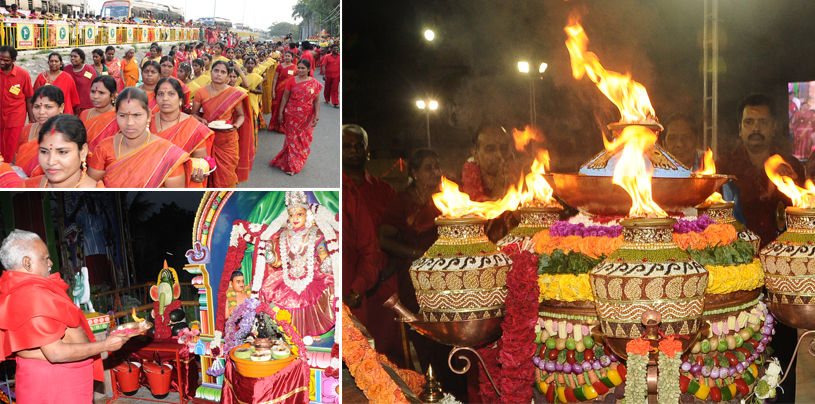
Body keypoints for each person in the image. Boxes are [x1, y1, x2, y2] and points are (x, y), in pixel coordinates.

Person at [717, 94, 803, 404]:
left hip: (782, 282)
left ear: (774, 127)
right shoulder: (724, 169)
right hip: (739, 284)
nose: (755, 129)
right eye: (748, 122)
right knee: (739, 359)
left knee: (782, 360)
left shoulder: (791, 168)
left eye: (762, 122)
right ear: (739, 129)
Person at [0, 230, 131, 402]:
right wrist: (105, 345)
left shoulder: (21, 289)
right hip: (55, 384)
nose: (51, 263)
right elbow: (56, 353)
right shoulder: (30, 294)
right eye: (45, 258)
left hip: (57, 380)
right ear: (27, 263)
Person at [341, 124, 402, 366]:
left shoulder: (385, 190)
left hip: (384, 282)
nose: (354, 151)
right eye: (347, 146)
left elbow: (398, 236)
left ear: (367, 151)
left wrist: (386, 270)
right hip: (349, 283)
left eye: (359, 146)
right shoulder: (339, 190)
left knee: (388, 349)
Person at [258, 191, 336, 337]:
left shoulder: (316, 233)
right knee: (272, 291)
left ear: (307, 215)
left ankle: (311, 332)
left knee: (326, 288)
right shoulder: (281, 235)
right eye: (291, 215)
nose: (295, 218)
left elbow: (322, 254)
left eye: (299, 214)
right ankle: (286, 333)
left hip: (311, 276)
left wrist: (326, 260)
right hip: (288, 277)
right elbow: (279, 262)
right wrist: (270, 255)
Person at [87, 87, 188, 188]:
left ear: (148, 116)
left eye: (136, 115)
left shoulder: (168, 154)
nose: (129, 123)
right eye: (122, 116)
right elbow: (91, 186)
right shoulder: (104, 147)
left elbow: (174, 198)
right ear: (116, 115)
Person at [191, 60, 253, 187]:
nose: (219, 74)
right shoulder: (201, 92)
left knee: (227, 174)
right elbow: (193, 114)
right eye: (216, 71)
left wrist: (235, 126)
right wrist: (200, 119)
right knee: (208, 170)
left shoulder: (234, 93)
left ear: (228, 76)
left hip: (228, 139)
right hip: (207, 136)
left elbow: (241, 116)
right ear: (211, 72)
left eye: (223, 72)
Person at [151, 77, 213, 187]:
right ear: (156, 99)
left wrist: (199, 174)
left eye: (171, 94)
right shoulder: (146, 123)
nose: (165, 98)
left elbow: (200, 163)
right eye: (160, 94)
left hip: (182, 184)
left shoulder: (194, 127)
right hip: (149, 183)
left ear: (180, 100)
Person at [270, 59, 322, 175]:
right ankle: (293, 165)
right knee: (292, 139)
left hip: (307, 117)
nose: (300, 70)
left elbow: (317, 101)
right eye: (298, 67)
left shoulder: (314, 83)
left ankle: (298, 159)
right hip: (291, 115)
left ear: (308, 69)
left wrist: (316, 116)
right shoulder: (291, 81)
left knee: (303, 140)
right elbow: (285, 97)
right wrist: (280, 113)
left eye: (303, 68)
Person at [26, 114, 101, 188]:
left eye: (62, 152)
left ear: (83, 152)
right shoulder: (27, 186)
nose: (51, 162)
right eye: (44, 152)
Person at [13, 85, 65, 178]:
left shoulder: (66, 135)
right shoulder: (27, 130)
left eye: (48, 107)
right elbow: (17, 159)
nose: (41, 112)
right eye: (36, 107)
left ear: (61, 108)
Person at [0, 45, 34, 162]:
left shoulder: (23, 75)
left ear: (14, 60)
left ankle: (9, 171)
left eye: (6, 60)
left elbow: (29, 97)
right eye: (0, 59)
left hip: (15, 118)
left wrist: (31, 117)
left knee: (12, 146)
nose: (2, 62)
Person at [79, 75, 119, 151]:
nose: (95, 96)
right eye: (93, 92)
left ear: (113, 96)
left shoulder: (117, 117)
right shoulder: (84, 114)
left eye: (101, 93)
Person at [63, 48, 98, 115]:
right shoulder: (66, 69)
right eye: (71, 56)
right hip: (71, 105)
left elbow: (96, 86)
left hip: (86, 105)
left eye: (75, 56)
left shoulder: (89, 70)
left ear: (82, 58)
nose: (72, 58)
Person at [270, 51, 296, 133]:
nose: (287, 57)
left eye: (289, 56)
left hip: (289, 91)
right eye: (286, 56)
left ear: (292, 57)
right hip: (279, 90)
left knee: (286, 108)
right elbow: (275, 79)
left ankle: (284, 126)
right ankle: (275, 125)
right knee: (276, 107)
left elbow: (296, 80)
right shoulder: (279, 66)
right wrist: (273, 90)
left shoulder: (295, 67)